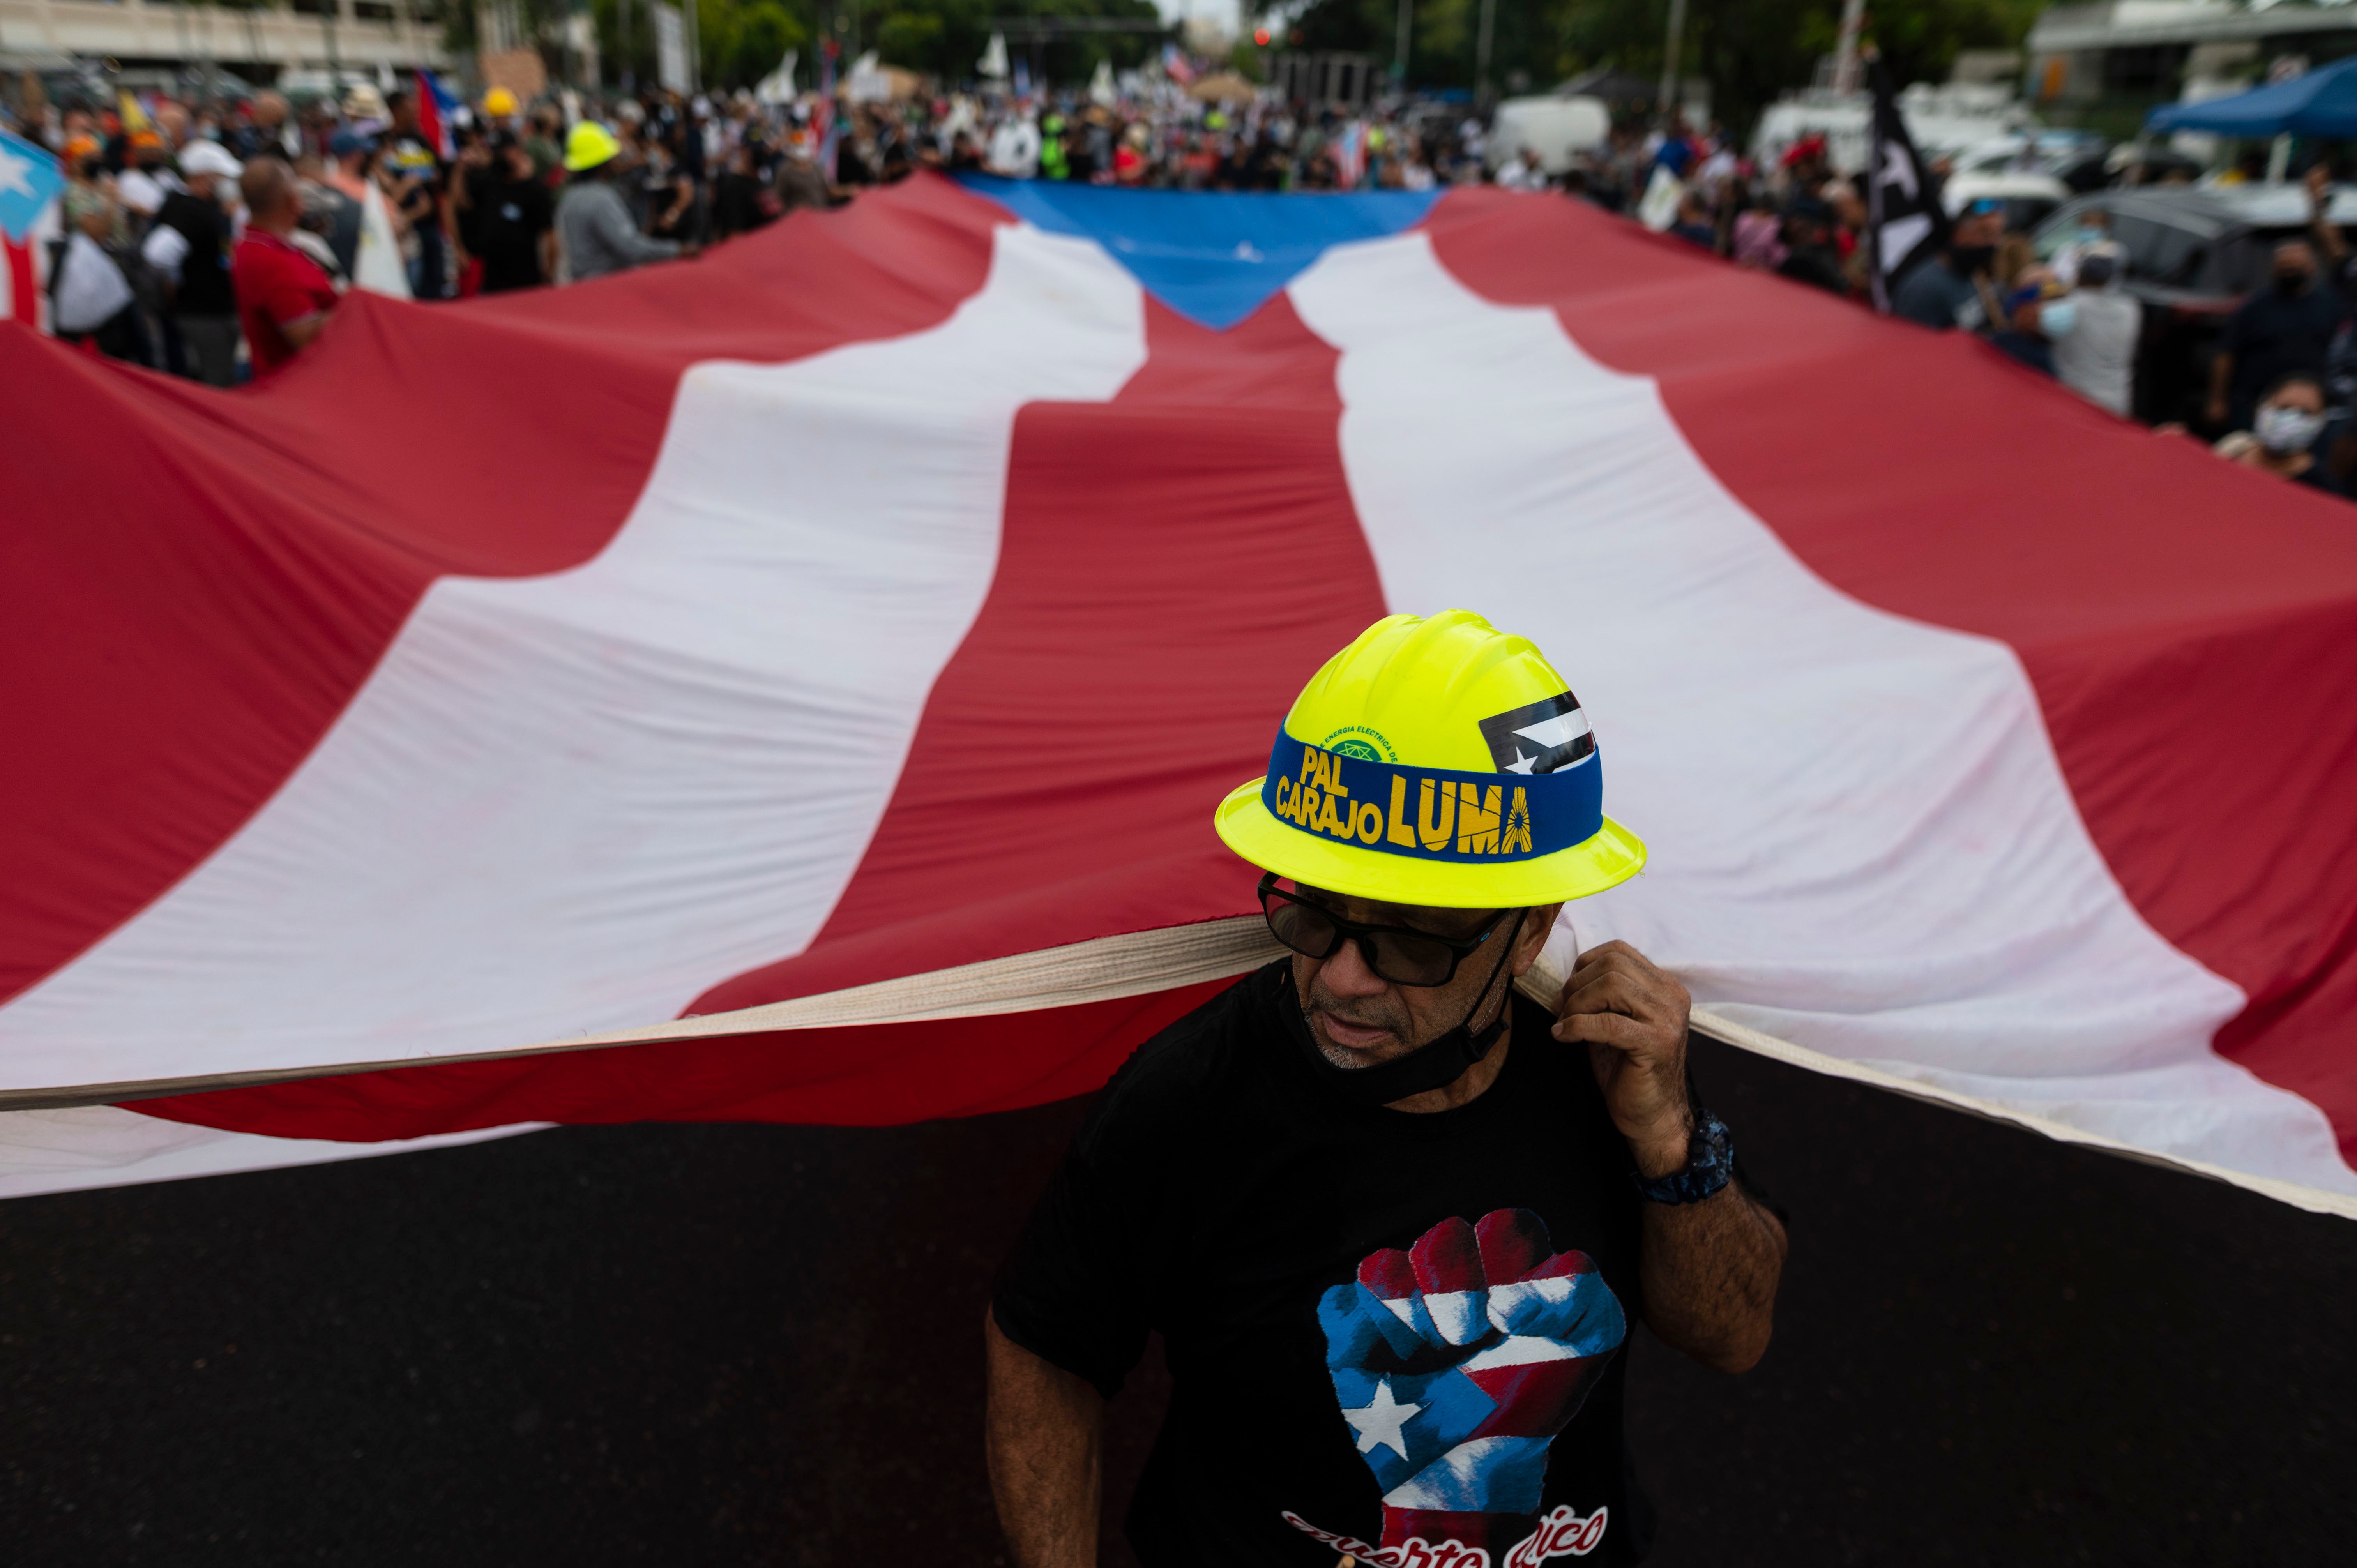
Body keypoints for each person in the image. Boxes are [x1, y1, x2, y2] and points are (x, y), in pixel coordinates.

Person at [986, 611, 1788, 1568]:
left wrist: (1668, 1141)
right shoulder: (1189, 1101)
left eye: (1410, 937)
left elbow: (1734, 1336)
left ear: (1530, 930)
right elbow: (1046, 1343)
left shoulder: (1607, 1065)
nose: (1343, 978)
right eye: (1315, 914)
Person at [2209, 239, 2344, 433]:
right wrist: (2217, 400)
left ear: (2312, 267)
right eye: (2285, 266)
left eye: (2296, 266)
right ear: (2274, 269)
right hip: (2253, 404)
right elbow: (2225, 353)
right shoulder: (2253, 308)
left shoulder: (2330, 305)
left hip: (2307, 408)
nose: (2290, 271)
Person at [232, 156, 340, 375]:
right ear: (293, 200)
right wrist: (354, 306)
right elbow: (305, 336)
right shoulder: (268, 261)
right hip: (300, 383)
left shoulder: (263, 244)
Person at [148, 140, 244, 386]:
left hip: (207, 308)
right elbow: (158, 254)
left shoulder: (194, 205)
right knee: (217, 379)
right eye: (223, 177)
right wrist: (174, 280)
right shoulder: (190, 210)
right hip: (204, 312)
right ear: (205, 177)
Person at [555, 121, 684, 283]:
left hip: (582, 287)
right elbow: (631, 248)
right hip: (606, 287)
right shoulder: (600, 199)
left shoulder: (569, 199)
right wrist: (677, 250)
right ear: (603, 162)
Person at [460, 132, 557, 292]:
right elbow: (460, 202)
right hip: (492, 284)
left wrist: (548, 274)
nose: (499, 157)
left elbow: (550, 236)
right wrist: (461, 167)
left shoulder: (534, 190)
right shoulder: (489, 184)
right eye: (496, 152)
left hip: (526, 283)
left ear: (517, 151)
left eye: (504, 152)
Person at [2053, 244, 2141, 417]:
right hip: (2116, 404)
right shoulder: (2131, 309)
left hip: (2075, 401)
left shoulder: (2072, 306)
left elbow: (2029, 323)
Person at [1892, 200, 2005, 332]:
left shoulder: (1977, 275)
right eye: (1987, 234)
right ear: (1961, 232)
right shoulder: (1924, 289)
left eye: (1999, 235)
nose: (1995, 243)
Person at [2214, 372, 2337, 493]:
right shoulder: (2233, 447)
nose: (2291, 419)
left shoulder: (2319, 487)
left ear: (2321, 422)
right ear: (2263, 406)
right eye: (2284, 408)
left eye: (2305, 413)